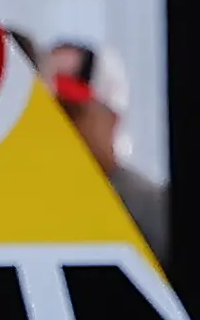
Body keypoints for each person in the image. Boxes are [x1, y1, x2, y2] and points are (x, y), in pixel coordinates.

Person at [36, 40, 172, 260]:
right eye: (45, 110)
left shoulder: (152, 210)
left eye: (68, 111)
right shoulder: (30, 202)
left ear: (111, 118)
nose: (54, 124)